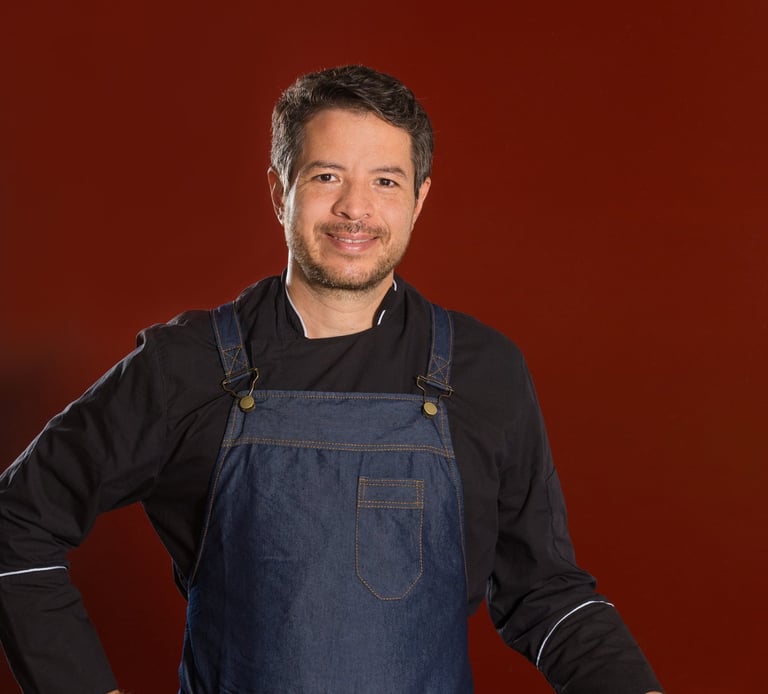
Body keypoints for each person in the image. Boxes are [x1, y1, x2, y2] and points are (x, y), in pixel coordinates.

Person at [0, 64, 663, 694]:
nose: (355, 208)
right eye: (326, 176)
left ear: (419, 199)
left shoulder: (485, 371)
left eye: (385, 181)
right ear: (278, 191)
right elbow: (16, 521)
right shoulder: (187, 366)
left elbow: (544, 592)